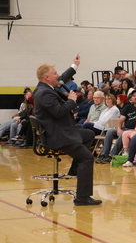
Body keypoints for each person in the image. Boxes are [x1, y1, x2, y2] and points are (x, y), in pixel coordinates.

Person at [33, 55, 101, 205]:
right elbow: (59, 112)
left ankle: (75, 169)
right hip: (58, 136)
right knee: (87, 158)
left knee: (88, 134)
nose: (58, 75)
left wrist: (74, 65)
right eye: (55, 73)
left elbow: (62, 78)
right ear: (47, 77)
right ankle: (82, 198)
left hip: (60, 132)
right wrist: (71, 100)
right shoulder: (44, 93)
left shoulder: (46, 87)